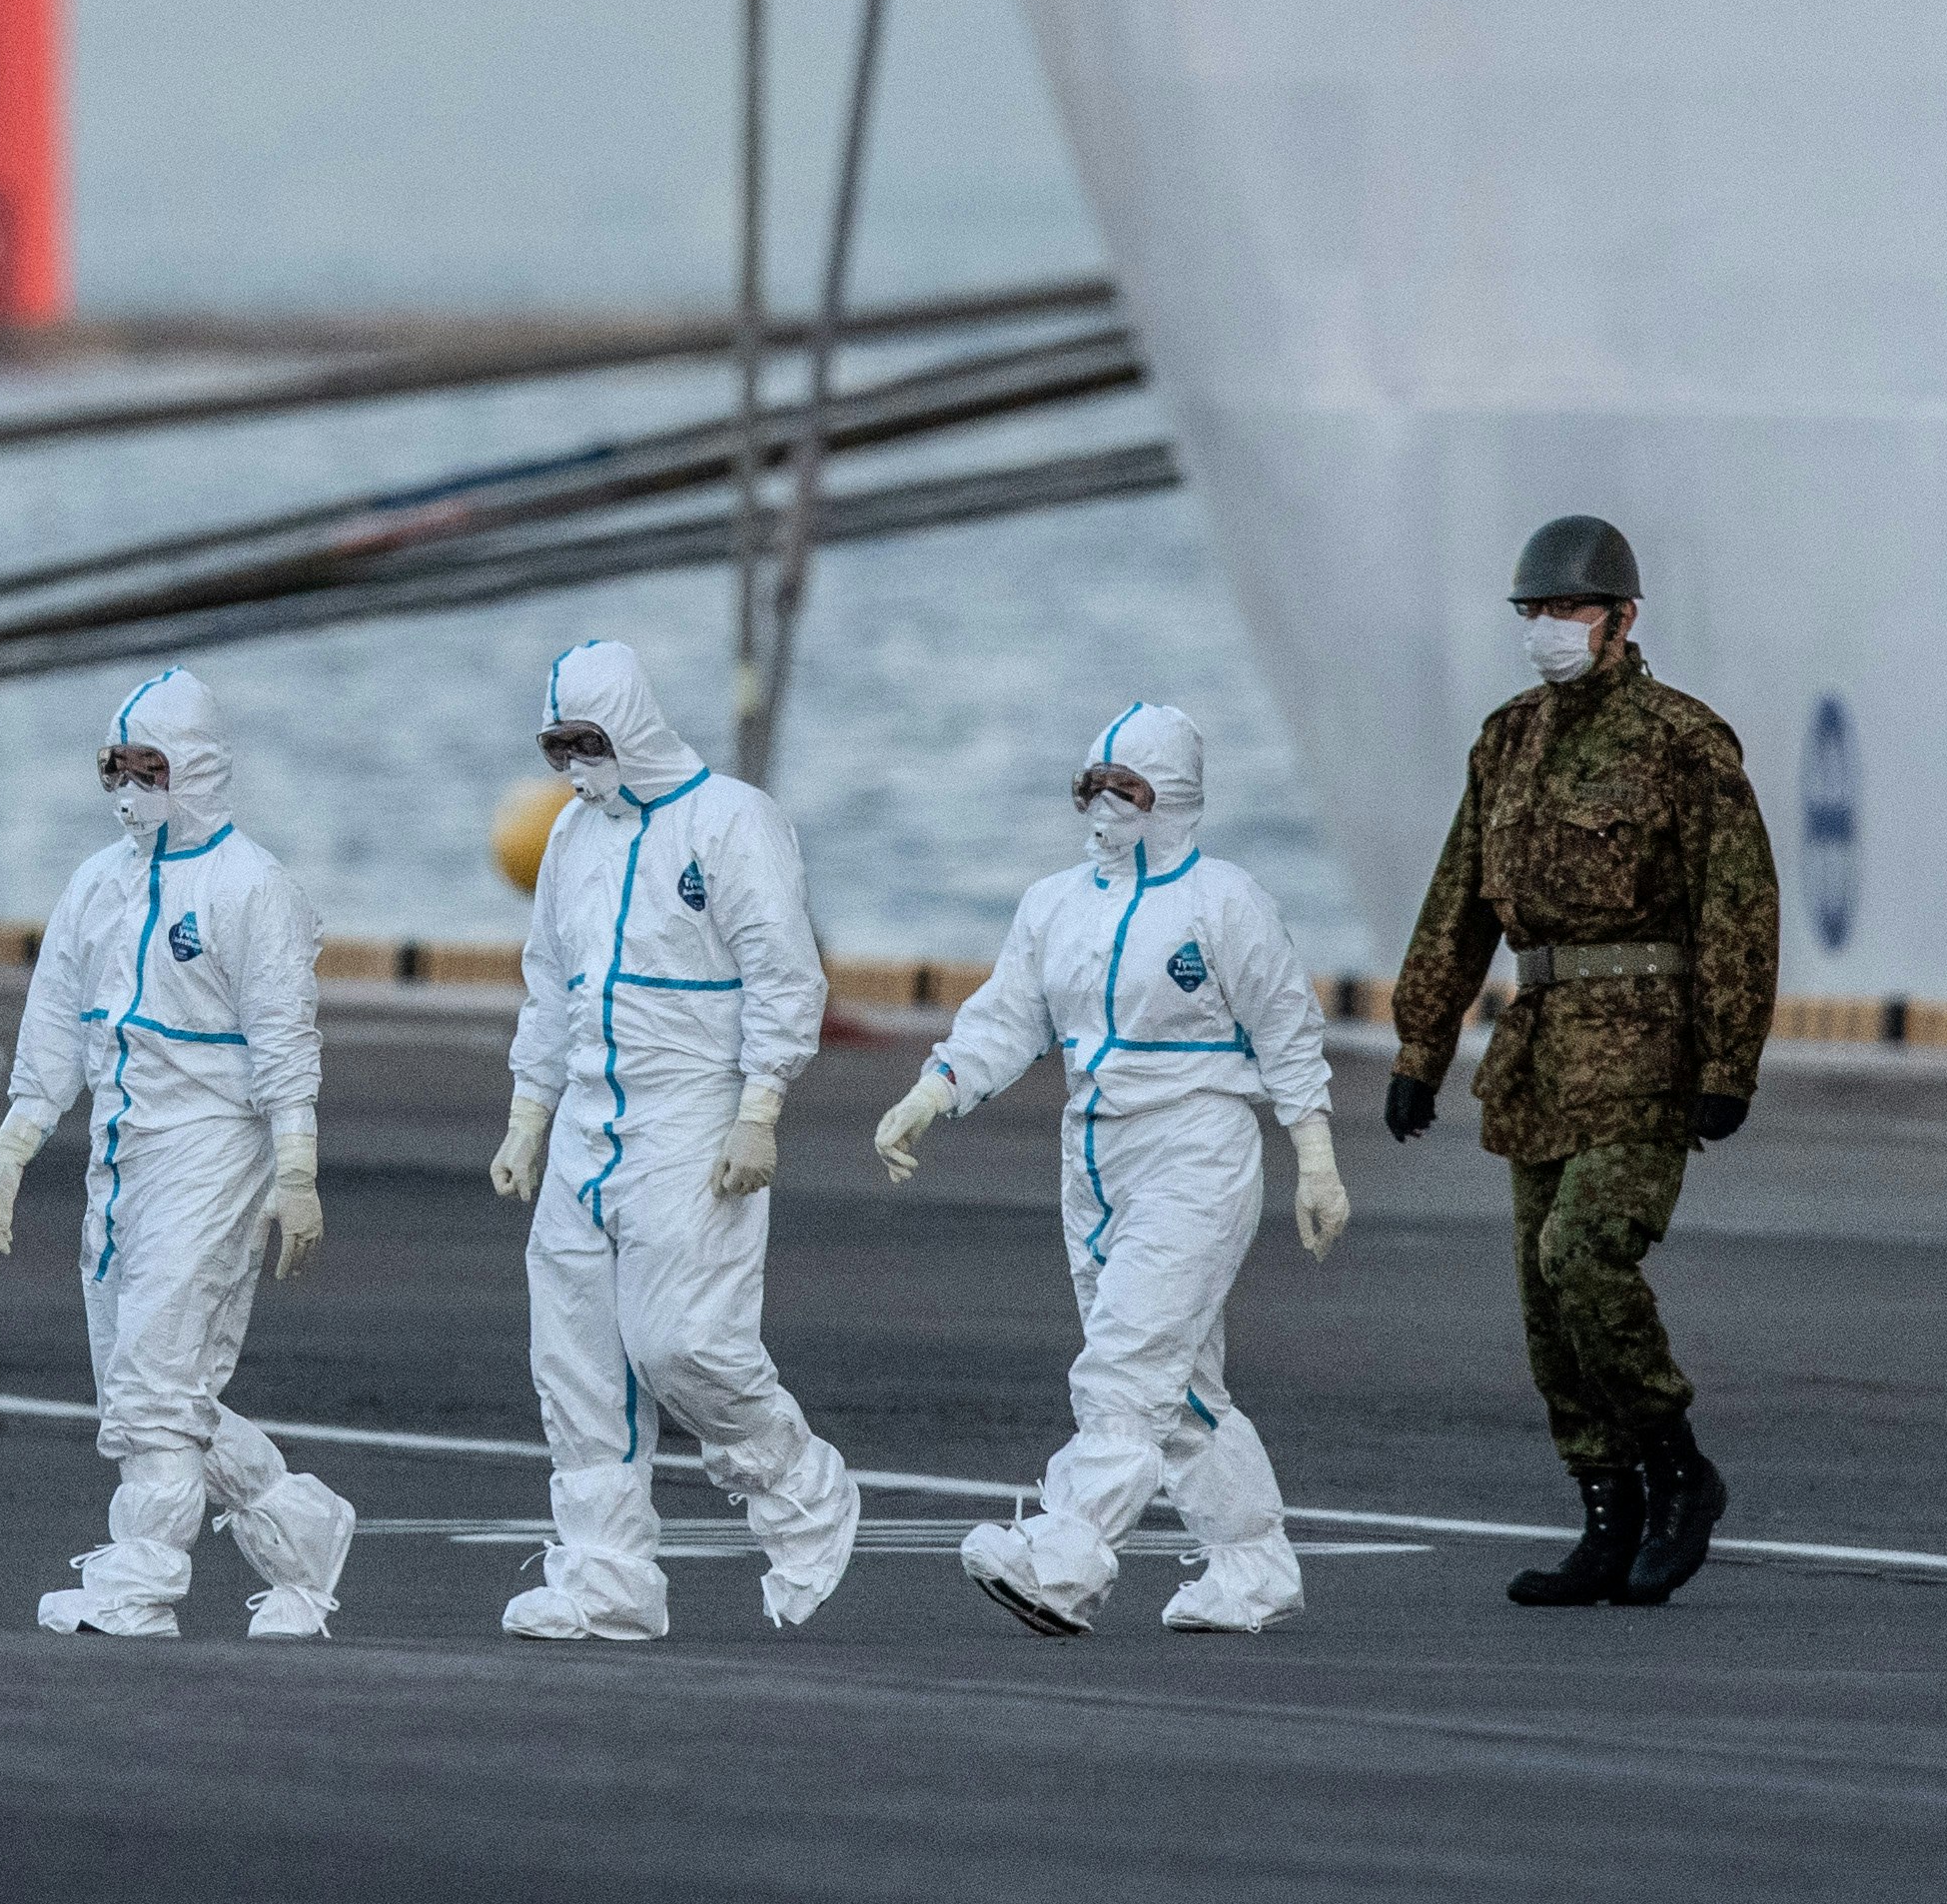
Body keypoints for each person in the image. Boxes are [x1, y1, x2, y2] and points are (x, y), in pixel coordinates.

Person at [871, 702, 1348, 1634]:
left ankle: (1067, 1556)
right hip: (1091, 1152)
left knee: (1126, 1366)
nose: (1104, 806)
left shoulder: (1225, 902)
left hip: (1196, 1146)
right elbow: (1008, 1016)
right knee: (1179, 1389)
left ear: (1172, 798)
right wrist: (935, 1089)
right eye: (1092, 786)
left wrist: (1317, 1160)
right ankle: (1252, 1565)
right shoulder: (1056, 904)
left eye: (1125, 788)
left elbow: (1290, 1033)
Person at [1383, 514, 1779, 1608]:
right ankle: (1602, 1515)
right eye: (1534, 612)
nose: (1548, 629)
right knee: (1544, 1306)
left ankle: (1677, 1472)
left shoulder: (1683, 739)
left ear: (1622, 618)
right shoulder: (1504, 738)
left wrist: (1727, 1062)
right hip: (1538, 1048)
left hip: (1646, 1044)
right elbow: (1457, 896)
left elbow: (1738, 909)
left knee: (1584, 1255)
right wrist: (1421, 1042)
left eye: (1568, 610)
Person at [487, 639, 860, 1641]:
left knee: (680, 1339)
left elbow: (784, 973)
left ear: (629, 726)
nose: (572, 761)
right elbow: (548, 978)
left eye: (586, 739)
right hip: (587, 1115)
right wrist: (529, 1110)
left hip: (690, 1108)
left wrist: (759, 1105)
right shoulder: (571, 835)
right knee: (573, 1353)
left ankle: (798, 1486)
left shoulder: (730, 821)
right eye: (556, 743)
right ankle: (604, 1574)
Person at [0, 667, 356, 1637]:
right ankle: (300, 1537)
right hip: (120, 1150)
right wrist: (15, 1142)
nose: (130, 786)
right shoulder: (97, 884)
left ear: (195, 767)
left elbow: (284, 1040)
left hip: (212, 1149)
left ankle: (139, 1582)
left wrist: (295, 1168)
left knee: (151, 1384)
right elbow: (55, 1020)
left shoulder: (251, 887)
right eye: (117, 766)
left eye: (150, 766)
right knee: (151, 1388)